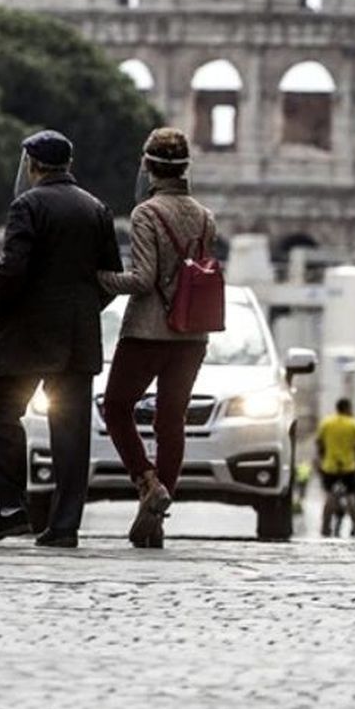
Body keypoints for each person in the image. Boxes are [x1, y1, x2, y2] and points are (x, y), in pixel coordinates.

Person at [0, 130, 123, 548]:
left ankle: (9, 508)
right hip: (77, 337)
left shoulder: (28, 205)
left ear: (33, 164)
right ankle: (64, 526)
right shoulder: (97, 208)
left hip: (25, 335)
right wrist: (83, 310)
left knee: (1, 413)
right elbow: (110, 275)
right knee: (71, 430)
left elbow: (13, 267)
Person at [98, 128, 216, 549]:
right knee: (171, 420)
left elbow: (143, 279)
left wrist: (102, 278)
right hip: (192, 333)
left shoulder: (146, 213)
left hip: (148, 330)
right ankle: (158, 511)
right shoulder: (205, 216)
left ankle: (147, 482)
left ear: (149, 167)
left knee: (115, 407)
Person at [314, 398, 355, 537]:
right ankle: (354, 526)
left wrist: (323, 456)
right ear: (348, 408)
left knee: (329, 496)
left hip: (330, 465)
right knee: (351, 496)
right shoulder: (354, 424)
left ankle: (325, 527)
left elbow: (319, 442)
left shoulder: (326, 423)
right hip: (349, 466)